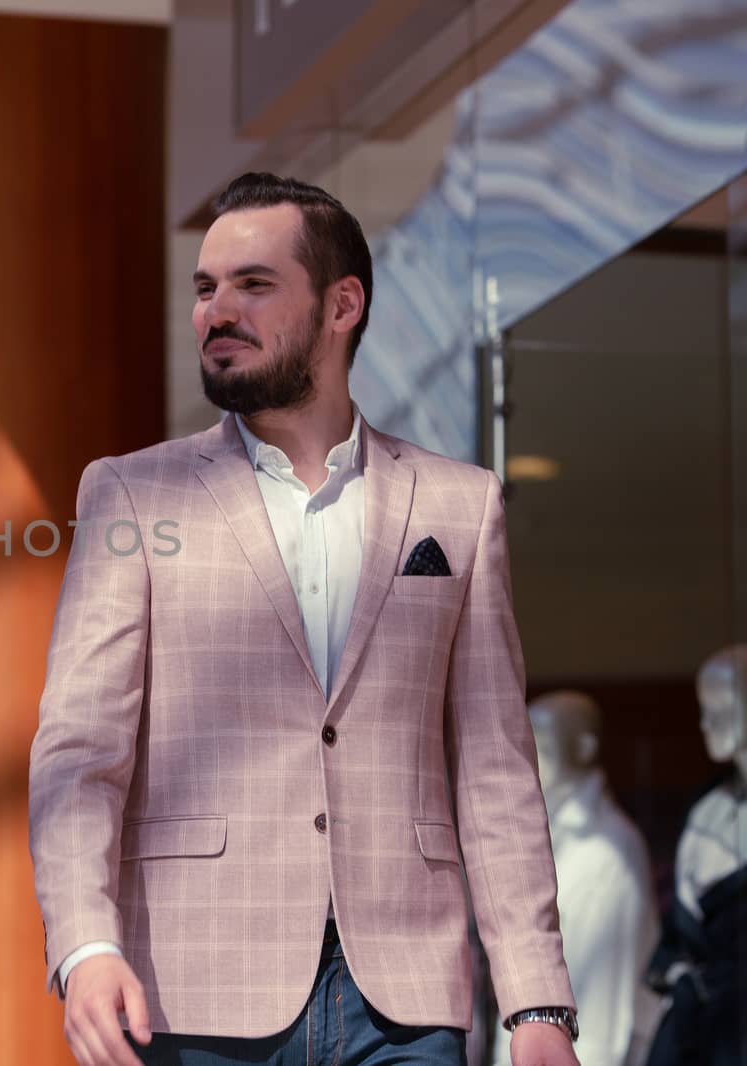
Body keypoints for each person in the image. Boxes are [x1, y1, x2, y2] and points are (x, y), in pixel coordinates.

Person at [29, 172, 577, 1066]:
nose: (216, 310)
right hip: (197, 985)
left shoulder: (460, 504)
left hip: (404, 993)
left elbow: (496, 772)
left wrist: (536, 1004)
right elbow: (80, 753)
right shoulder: (132, 492)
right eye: (205, 289)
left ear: (341, 305)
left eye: (253, 284)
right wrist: (86, 946)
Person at [486, 692, 657, 1066]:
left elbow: (603, 1013)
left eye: (544, 745)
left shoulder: (608, 851)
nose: (532, 759)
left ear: (584, 748)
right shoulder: (532, 833)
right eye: (526, 743)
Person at [645, 643, 747, 1066]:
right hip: (697, 1032)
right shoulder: (708, 807)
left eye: (718, 707)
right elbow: (677, 936)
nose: (704, 722)